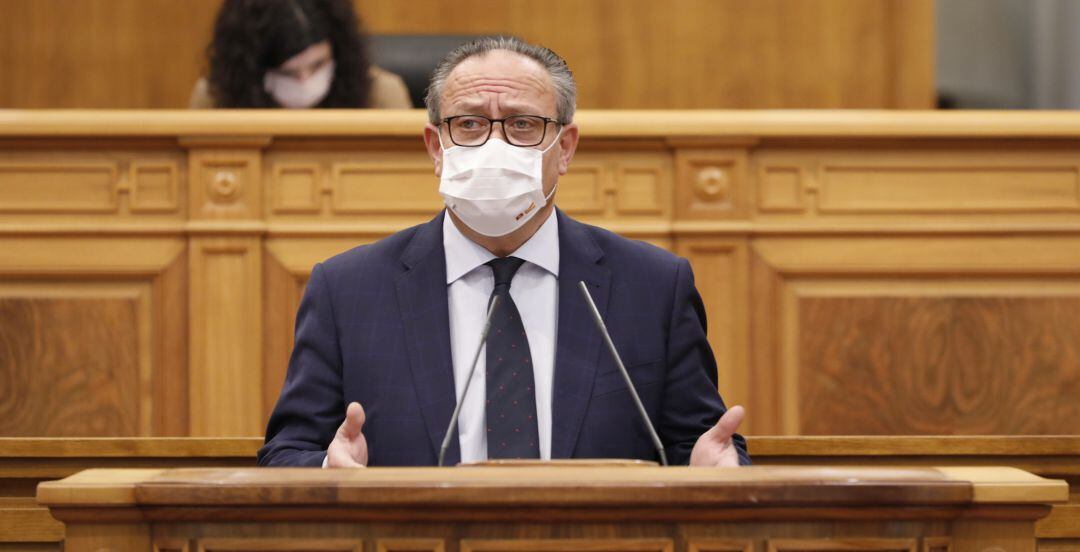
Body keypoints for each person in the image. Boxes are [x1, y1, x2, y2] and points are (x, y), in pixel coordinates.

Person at [258, 36, 750, 468]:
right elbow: (287, 451)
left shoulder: (653, 286)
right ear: (436, 147)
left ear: (565, 147)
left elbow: (702, 446)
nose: (494, 144)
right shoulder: (348, 290)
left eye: (522, 125)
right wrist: (328, 466)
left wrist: (710, 469)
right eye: (469, 124)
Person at [189, 0, 411, 109]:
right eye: (288, 74)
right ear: (252, 71)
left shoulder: (382, 96)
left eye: (318, 65)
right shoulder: (213, 99)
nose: (306, 82)